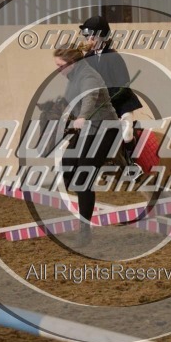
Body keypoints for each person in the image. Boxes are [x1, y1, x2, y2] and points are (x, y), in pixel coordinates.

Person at [53, 46, 119, 247]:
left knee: (82, 178)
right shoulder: (72, 78)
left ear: (72, 64)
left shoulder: (88, 76)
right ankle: (85, 198)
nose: (58, 70)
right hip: (88, 129)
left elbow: (90, 99)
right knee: (66, 166)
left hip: (104, 129)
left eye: (60, 66)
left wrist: (82, 116)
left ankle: (84, 229)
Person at [79, 16, 144, 177]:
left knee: (127, 131)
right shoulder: (87, 59)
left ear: (101, 36)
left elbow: (123, 84)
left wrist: (109, 98)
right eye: (87, 37)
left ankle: (131, 163)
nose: (89, 40)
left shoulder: (114, 57)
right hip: (101, 105)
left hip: (121, 102)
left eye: (91, 36)